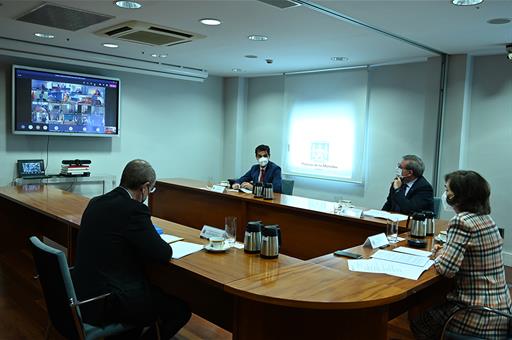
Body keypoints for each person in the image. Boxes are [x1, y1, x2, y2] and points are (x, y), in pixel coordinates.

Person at [72, 159, 191, 339]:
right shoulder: (133, 210)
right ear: (144, 188)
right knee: (180, 311)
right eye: (151, 190)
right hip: (108, 300)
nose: (148, 194)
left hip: (83, 292)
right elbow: (163, 253)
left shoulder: (96, 202)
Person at [411, 170, 512, 339]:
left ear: (460, 196)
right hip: (501, 309)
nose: (445, 194)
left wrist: (439, 255)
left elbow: (446, 269)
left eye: (447, 190)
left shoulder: (461, 221)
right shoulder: (487, 219)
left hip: (477, 314)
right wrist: (445, 253)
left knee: (420, 322)